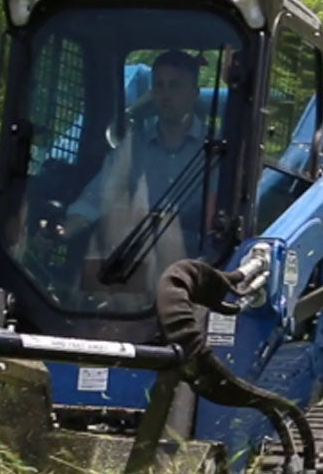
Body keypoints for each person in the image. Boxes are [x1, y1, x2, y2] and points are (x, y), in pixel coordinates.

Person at [64, 49, 212, 293]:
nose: (165, 95)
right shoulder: (134, 147)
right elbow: (97, 197)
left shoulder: (214, 151)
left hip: (195, 264)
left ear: (194, 93)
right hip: (137, 253)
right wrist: (65, 230)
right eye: (159, 86)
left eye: (175, 86)